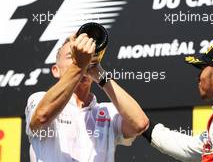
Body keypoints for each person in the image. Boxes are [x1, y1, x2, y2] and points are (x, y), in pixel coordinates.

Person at [25, 33, 149, 162]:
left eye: (86, 58)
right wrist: (78, 65)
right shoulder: (38, 99)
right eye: (71, 56)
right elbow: (41, 117)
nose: (82, 61)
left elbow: (140, 124)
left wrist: (100, 75)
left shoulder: (107, 111)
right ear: (56, 70)